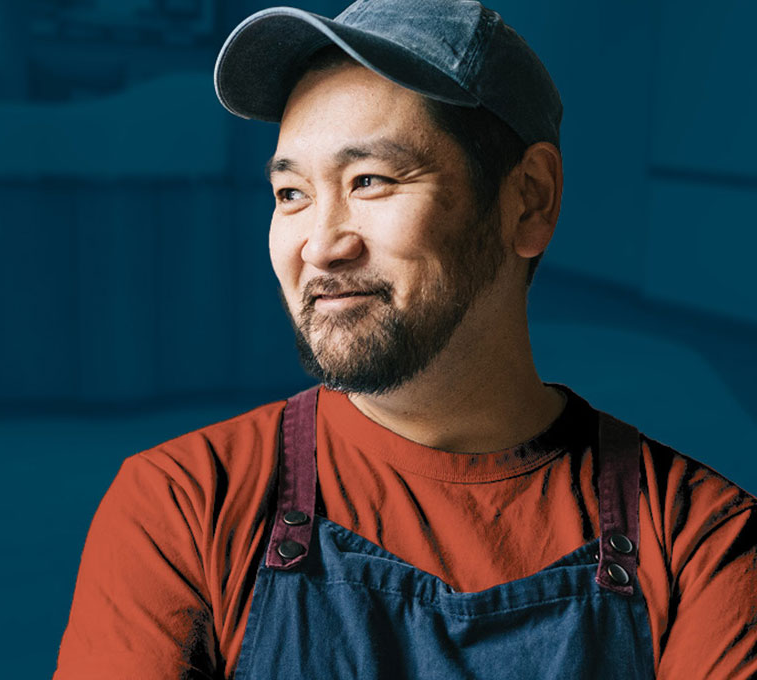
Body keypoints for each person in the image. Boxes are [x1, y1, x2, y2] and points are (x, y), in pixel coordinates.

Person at [53, 0, 757, 677]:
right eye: (291, 194)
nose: (320, 246)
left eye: (372, 180)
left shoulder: (702, 538)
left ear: (530, 199)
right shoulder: (184, 505)